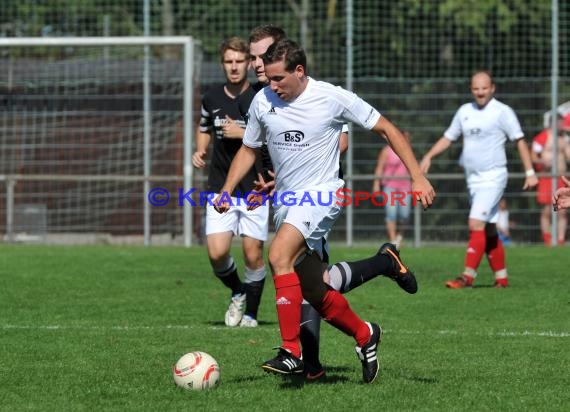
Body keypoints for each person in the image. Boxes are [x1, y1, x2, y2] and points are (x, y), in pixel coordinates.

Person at [214, 39, 435, 383]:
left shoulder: (332, 97)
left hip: (321, 196)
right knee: (316, 291)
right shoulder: (262, 101)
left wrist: (417, 176)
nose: (271, 86)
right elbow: (248, 148)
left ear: (299, 71)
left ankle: (292, 352)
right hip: (286, 203)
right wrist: (227, 190)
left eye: (278, 79)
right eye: (268, 79)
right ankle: (365, 334)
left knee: (278, 255)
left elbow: (386, 128)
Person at [420, 70, 537, 289]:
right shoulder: (465, 111)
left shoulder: (502, 112)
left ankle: (467, 277)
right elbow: (448, 137)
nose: (480, 92)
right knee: (489, 228)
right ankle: (501, 279)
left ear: (492, 88)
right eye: (476, 88)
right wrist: (429, 156)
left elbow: (519, 140)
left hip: (494, 177)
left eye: (484, 88)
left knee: (475, 223)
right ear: (471, 89)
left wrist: (530, 172)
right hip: (473, 180)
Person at [191, 37, 268, 328]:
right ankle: (238, 291)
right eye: (229, 62)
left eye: (239, 61)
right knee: (217, 252)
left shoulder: (262, 96)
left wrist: (244, 132)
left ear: (249, 63)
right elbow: (204, 127)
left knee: (252, 254)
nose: (234, 67)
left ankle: (251, 314)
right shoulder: (211, 98)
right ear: (222, 64)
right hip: (220, 185)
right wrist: (200, 149)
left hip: (255, 187)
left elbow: (272, 135)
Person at [531, 114, 570, 246]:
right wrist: (543, 161)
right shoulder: (543, 136)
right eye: (560, 122)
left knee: (562, 210)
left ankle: (560, 240)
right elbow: (533, 156)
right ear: (553, 123)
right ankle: (547, 239)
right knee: (548, 209)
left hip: (561, 178)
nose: (561, 125)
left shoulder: (563, 139)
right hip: (547, 177)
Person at [372, 130, 412, 248]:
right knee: (391, 213)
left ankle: (400, 236)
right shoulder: (386, 151)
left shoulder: (408, 151)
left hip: (405, 186)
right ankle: (393, 240)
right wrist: (376, 184)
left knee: (405, 215)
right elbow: (379, 168)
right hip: (389, 186)